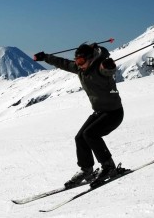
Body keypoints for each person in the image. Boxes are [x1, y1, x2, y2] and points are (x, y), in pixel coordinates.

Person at [33, 43, 124, 188]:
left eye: (81, 61)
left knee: (91, 134)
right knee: (80, 137)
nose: (78, 65)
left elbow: (108, 71)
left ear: (91, 58)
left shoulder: (100, 67)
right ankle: (86, 169)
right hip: (100, 112)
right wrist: (45, 57)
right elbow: (63, 63)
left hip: (114, 113)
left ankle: (109, 166)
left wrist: (108, 66)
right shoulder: (81, 69)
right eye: (77, 62)